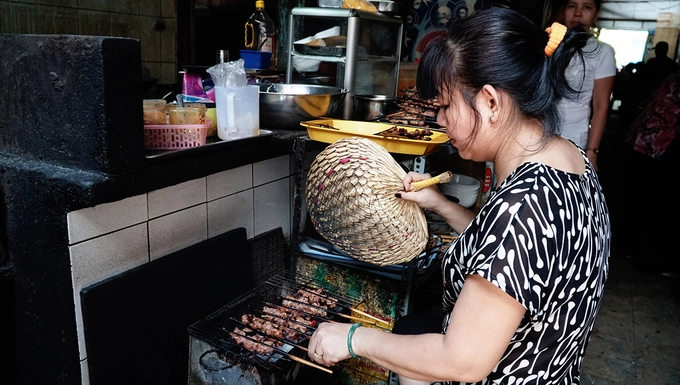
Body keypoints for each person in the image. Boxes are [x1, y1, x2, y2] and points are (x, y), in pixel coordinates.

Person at [307, 8, 611, 385]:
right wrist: (442, 205)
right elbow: (513, 257)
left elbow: (462, 360)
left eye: (447, 106)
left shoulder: (524, 202)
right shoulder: (569, 159)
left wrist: (353, 338)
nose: (440, 120)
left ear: (490, 103)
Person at [618, 69, 680, 276]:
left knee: (640, 199)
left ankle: (629, 248)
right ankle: (646, 258)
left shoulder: (672, 76)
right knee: (653, 204)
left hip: (646, 141)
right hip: (658, 145)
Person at [556, 0, 616, 170]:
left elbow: (601, 105)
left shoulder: (602, 52)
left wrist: (592, 151)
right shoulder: (550, 45)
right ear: (564, 11)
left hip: (572, 137)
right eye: (571, 6)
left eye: (587, 7)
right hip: (537, 133)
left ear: (596, 14)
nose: (578, 13)